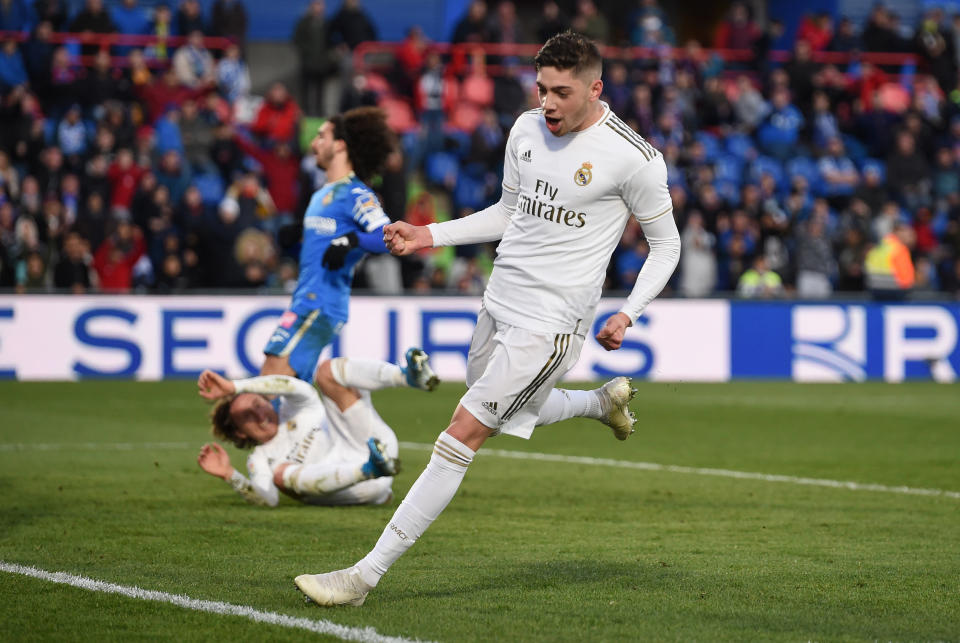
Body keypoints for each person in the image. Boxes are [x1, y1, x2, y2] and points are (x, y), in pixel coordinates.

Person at [294, 31, 681, 607]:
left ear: (595, 89)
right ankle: (600, 403)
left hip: (553, 322)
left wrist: (627, 312)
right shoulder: (526, 129)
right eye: (541, 87)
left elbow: (666, 245)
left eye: (562, 92)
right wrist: (428, 234)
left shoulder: (635, 158)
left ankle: (362, 576)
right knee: (497, 402)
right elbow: (508, 211)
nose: (547, 102)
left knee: (462, 433)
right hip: (498, 301)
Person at [196, 350, 440, 507]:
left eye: (258, 404)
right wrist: (230, 474)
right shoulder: (260, 459)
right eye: (249, 416)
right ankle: (369, 470)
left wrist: (235, 387)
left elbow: (289, 385)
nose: (260, 413)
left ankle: (405, 377)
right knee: (280, 475)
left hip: (372, 443)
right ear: (240, 432)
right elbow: (268, 499)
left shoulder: (298, 407)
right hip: (360, 485)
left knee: (326, 372)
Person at [261, 106, 396, 381]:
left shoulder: (356, 193)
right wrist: (298, 236)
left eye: (321, 136)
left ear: (339, 145)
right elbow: (325, 246)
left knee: (271, 381)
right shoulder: (320, 194)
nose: (314, 143)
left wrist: (352, 239)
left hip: (320, 304)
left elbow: (388, 236)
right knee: (289, 393)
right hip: (306, 299)